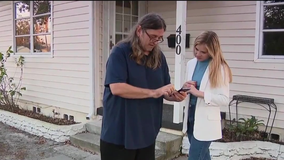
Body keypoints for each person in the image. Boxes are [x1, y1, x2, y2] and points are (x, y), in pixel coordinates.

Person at [100, 13, 187, 160]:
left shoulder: (159, 57)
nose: (155, 41)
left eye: (159, 38)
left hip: (146, 133)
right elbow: (117, 88)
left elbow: (164, 88)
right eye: (152, 36)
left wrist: (172, 95)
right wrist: (153, 92)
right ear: (139, 30)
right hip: (120, 134)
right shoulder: (120, 52)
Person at [181, 31, 233, 160]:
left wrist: (200, 93)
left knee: (195, 157)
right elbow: (189, 90)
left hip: (206, 122)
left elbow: (224, 99)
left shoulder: (220, 68)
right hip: (191, 116)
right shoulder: (191, 64)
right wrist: (186, 86)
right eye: (196, 49)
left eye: (203, 52)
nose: (198, 54)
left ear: (212, 51)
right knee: (203, 156)